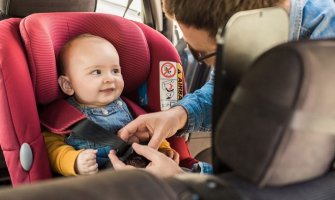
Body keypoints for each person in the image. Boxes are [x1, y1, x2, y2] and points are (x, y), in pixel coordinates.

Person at [110, 0, 335, 177]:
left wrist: (183, 181)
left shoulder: (326, 55)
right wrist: (178, 116)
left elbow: (310, 182)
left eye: (202, 54)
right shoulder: (249, 40)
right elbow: (227, 86)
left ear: (248, 30)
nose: (203, 63)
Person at [43, 33, 178, 176]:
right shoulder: (63, 117)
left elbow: (150, 131)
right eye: (96, 72)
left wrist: (163, 149)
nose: (109, 78)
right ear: (68, 85)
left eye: (115, 71)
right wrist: (74, 162)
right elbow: (51, 148)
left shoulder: (131, 108)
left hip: (141, 175)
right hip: (99, 182)